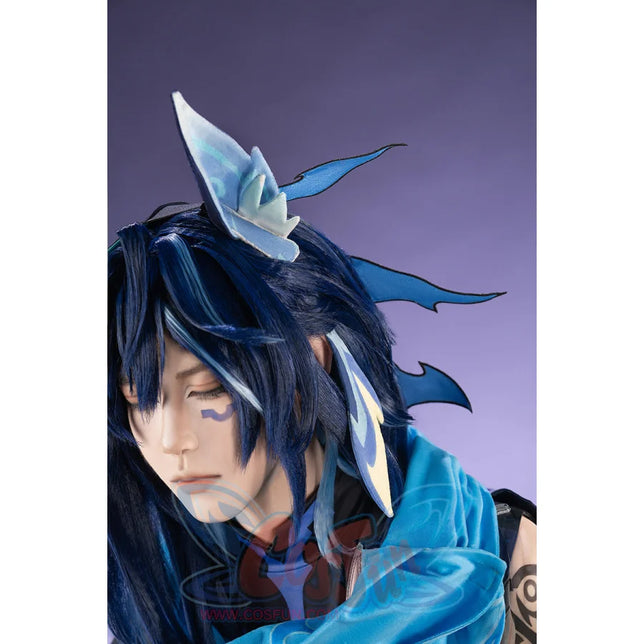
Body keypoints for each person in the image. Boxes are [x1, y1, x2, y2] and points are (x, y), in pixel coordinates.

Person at [108, 93, 534, 643]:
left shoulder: (504, 550)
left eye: (209, 389)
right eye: (140, 398)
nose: (171, 441)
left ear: (309, 361)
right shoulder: (150, 582)